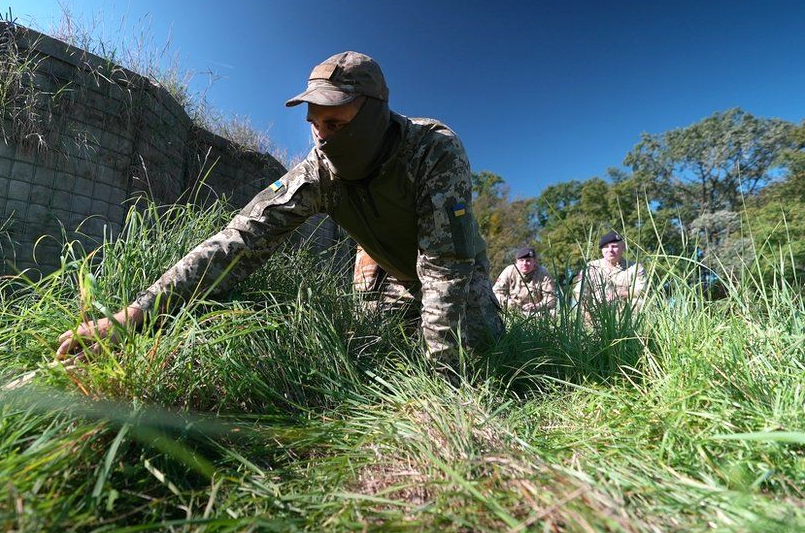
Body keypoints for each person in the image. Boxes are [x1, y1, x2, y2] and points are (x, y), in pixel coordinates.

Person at [56, 51, 503, 370]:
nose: (323, 138)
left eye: (336, 124)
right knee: (375, 359)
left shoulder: (433, 150)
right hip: (393, 279)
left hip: (458, 278)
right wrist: (134, 316)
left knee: (478, 359)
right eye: (315, 125)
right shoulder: (317, 175)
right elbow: (239, 240)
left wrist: (443, 379)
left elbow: (446, 266)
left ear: (374, 113)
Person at [572, 231, 647, 316]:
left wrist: (619, 294)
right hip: (597, 314)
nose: (610, 250)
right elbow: (580, 293)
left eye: (614, 246)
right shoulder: (591, 267)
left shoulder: (635, 268)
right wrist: (587, 316)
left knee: (638, 302)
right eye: (606, 247)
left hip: (626, 313)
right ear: (602, 250)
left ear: (623, 247)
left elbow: (642, 292)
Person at [492, 246, 557, 315]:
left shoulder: (543, 274)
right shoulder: (509, 271)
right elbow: (496, 292)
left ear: (535, 262)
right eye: (521, 260)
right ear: (516, 262)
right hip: (512, 311)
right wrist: (507, 303)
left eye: (528, 260)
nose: (524, 263)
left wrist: (537, 306)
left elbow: (551, 299)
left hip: (536, 312)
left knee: (553, 313)